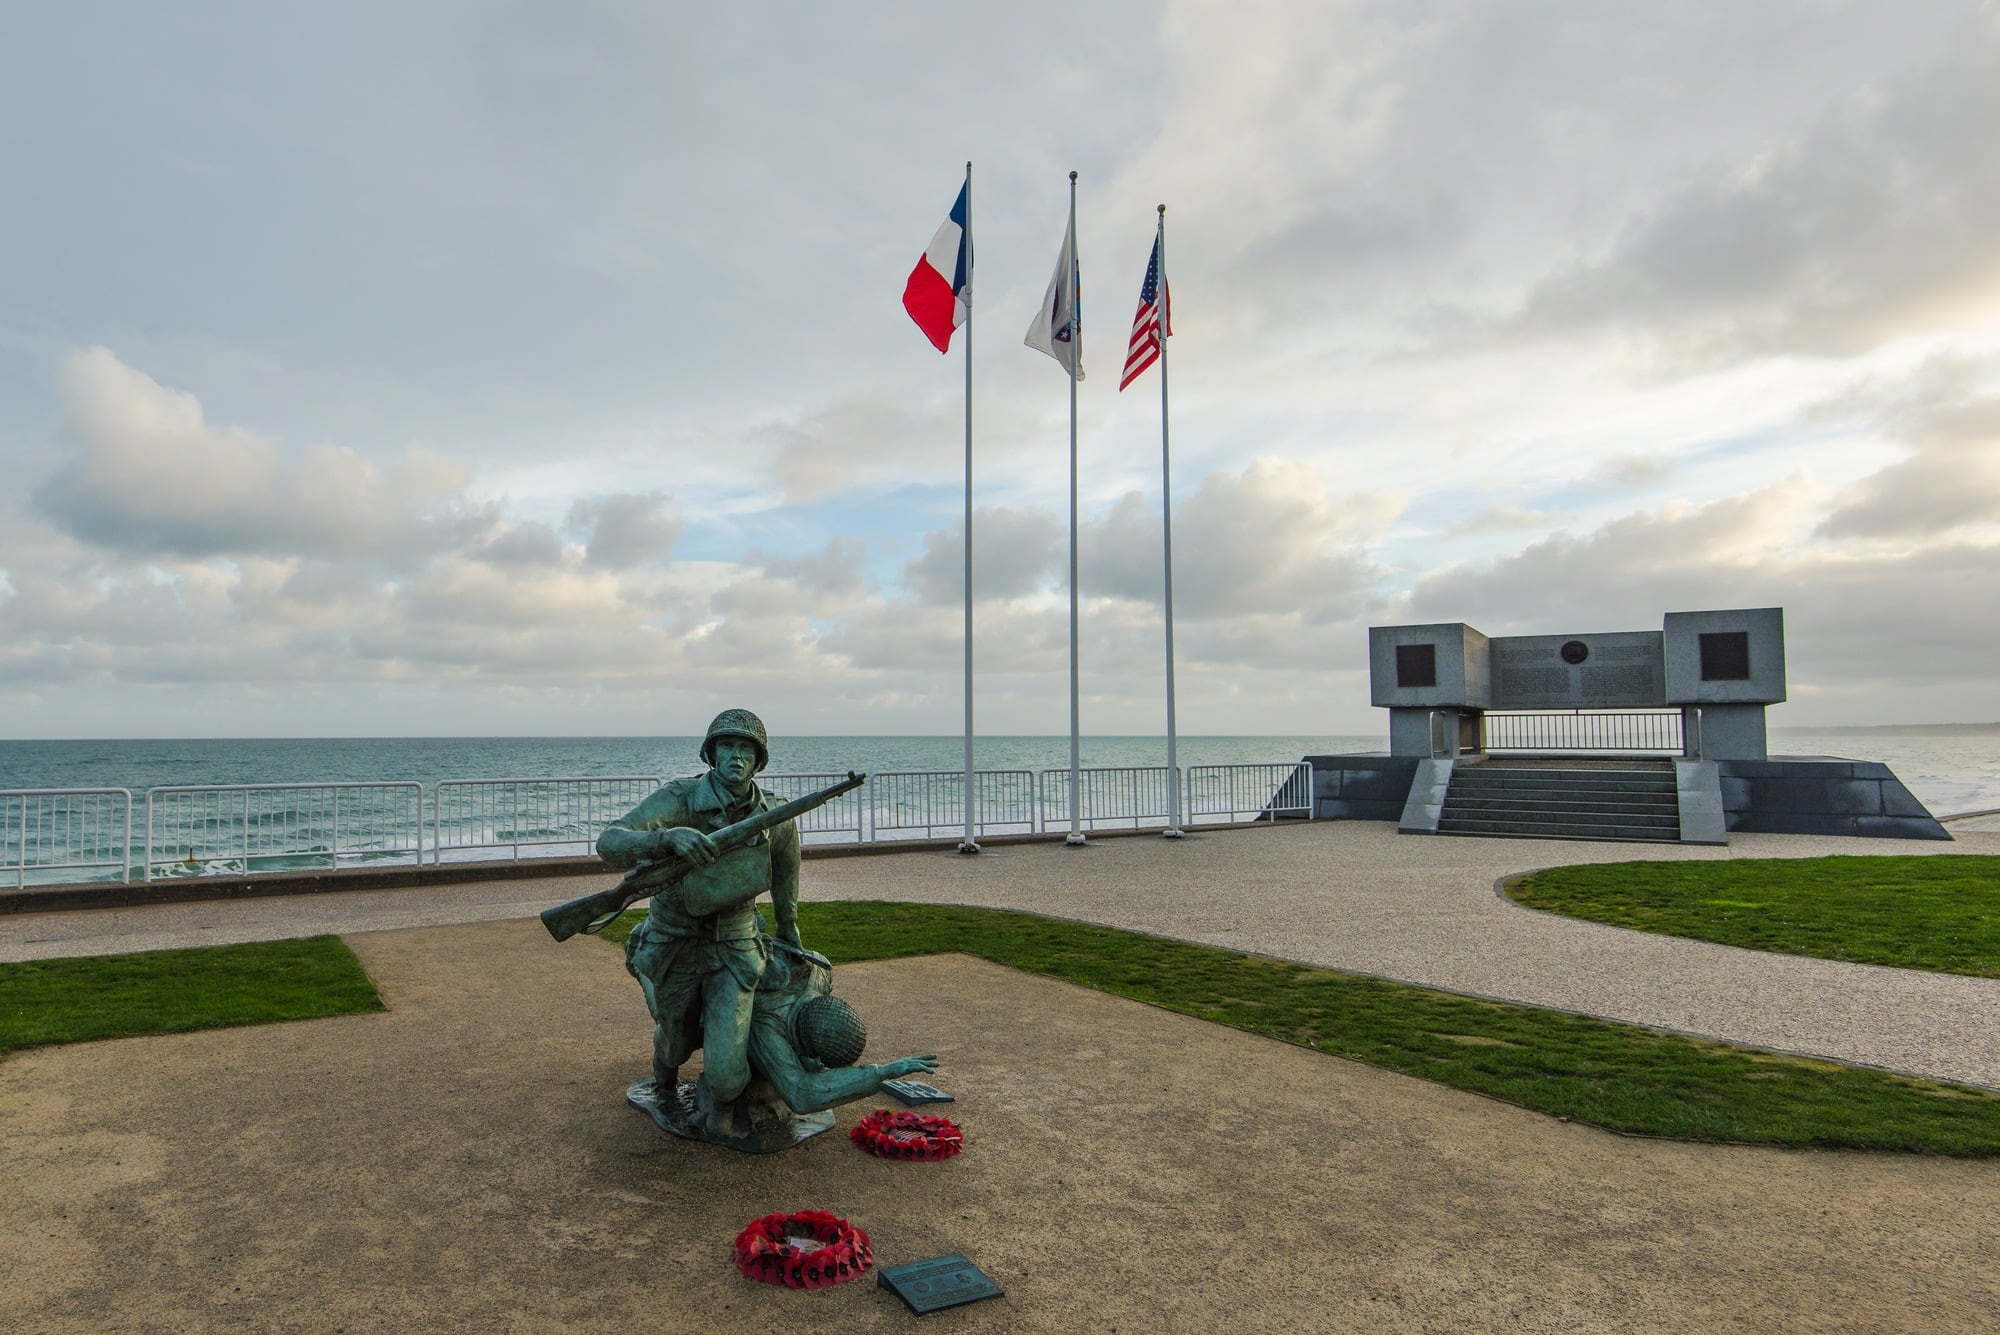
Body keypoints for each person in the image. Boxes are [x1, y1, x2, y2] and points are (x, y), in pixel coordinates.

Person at [597, 708, 800, 1136]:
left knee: (727, 1077)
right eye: (727, 746)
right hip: (677, 941)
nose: (736, 756)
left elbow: (785, 876)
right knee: (675, 1043)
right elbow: (609, 840)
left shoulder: (776, 814)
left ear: (759, 760)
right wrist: (665, 838)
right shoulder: (680, 798)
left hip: (736, 946)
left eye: (746, 748)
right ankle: (664, 1081)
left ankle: (723, 1102)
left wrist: (789, 931)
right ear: (710, 753)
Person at [746, 939, 938, 1115]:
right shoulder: (766, 1028)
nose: (821, 1066)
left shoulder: (819, 973)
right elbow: (801, 1094)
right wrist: (881, 1072)